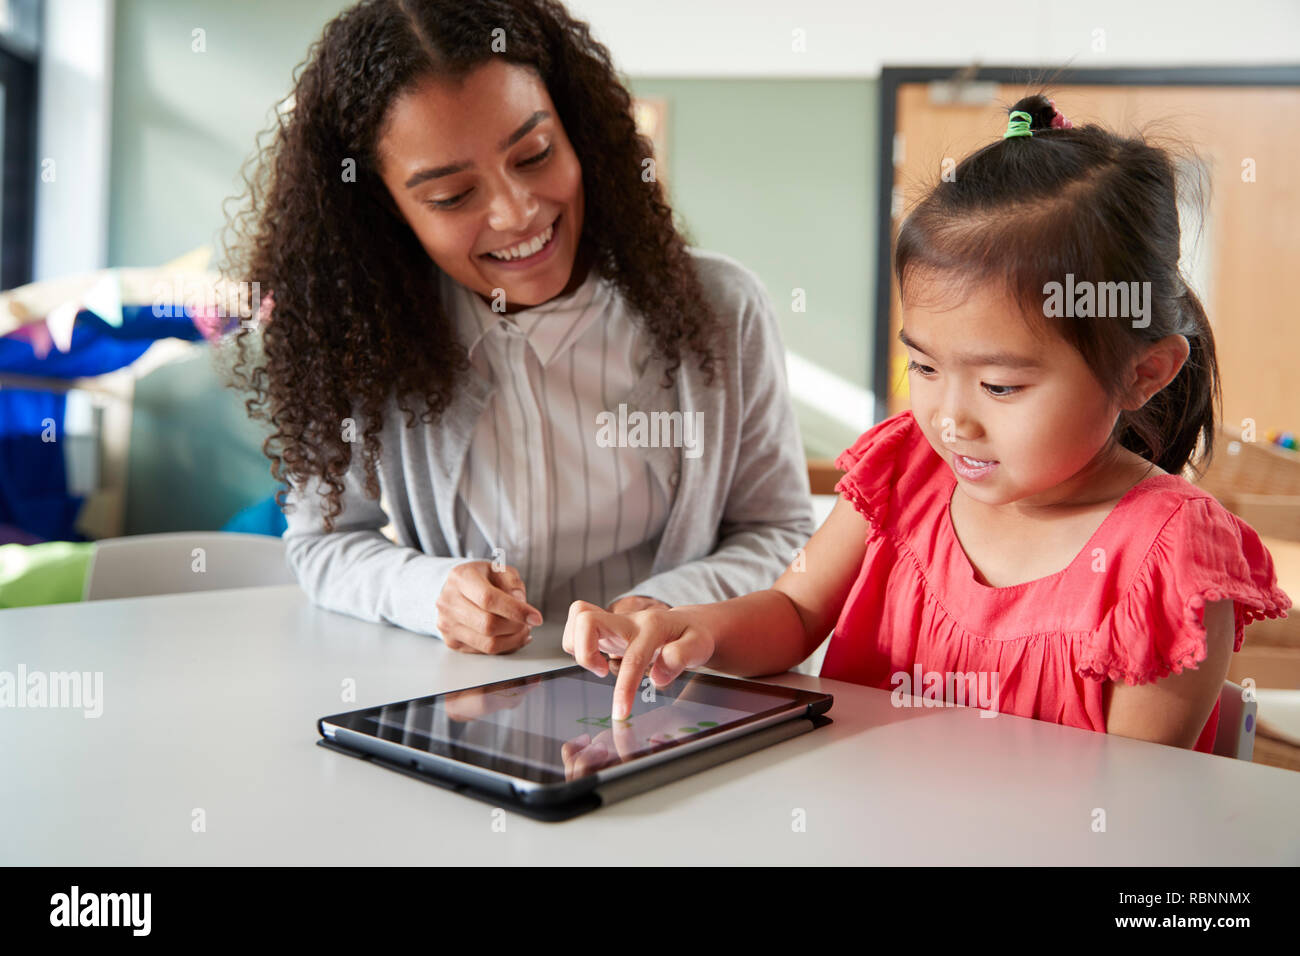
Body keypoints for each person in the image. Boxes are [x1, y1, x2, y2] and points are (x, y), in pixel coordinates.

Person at [563, 94, 1292, 753]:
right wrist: (693, 629)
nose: (951, 420)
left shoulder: (1169, 558)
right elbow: (793, 609)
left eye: (1001, 385)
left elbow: (1127, 806)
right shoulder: (907, 467)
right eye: (927, 369)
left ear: (1145, 372)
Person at [219, 0, 813, 653]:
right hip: (468, 711)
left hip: (672, 701)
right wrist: (432, 593)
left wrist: (666, 607)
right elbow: (323, 543)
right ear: (386, 212)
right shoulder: (360, 334)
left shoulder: (723, 310)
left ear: (575, 130)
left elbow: (778, 531)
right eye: (451, 196)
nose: (517, 212)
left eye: (533, 154)